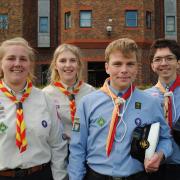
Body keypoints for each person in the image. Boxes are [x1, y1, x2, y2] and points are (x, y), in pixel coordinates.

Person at [68, 38, 172, 180]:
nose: (124, 70)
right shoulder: (88, 103)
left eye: (130, 64)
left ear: (137, 67)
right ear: (106, 67)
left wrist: (160, 154)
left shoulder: (151, 103)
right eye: (117, 64)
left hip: (137, 176)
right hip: (96, 176)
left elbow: (166, 138)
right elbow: (77, 148)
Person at [0, 37, 68, 180]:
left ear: (30, 65)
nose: (17, 63)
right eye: (11, 58)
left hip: (39, 174)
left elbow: (58, 144)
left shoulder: (45, 99)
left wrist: (59, 177)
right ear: (1, 63)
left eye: (23, 59)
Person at [43, 43, 95, 142]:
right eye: (62, 61)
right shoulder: (46, 94)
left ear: (79, 64)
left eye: (73, 60)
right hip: (58, 149)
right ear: (55, 65)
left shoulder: (90, 92)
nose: (68, 65)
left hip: (86, 146)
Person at [145, 38, 180, 180]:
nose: (164, 63)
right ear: (152, 65)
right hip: (152, 167)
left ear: (178, 63)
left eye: (169, 58)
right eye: (158, 59)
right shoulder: (144, 98)